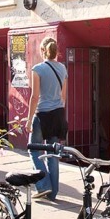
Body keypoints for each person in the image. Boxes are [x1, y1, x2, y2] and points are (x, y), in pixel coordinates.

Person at [26, 37, 68, 201]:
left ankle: (43, 185)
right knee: (53, 153)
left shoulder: (38, 69)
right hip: (58, 114)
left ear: (43, 50)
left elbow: (35, 96)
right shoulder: (63, 68)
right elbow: (63, 95)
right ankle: (53, 192)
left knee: (34, 149)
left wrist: (29, 119)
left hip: (42, 114)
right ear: (56, 51)